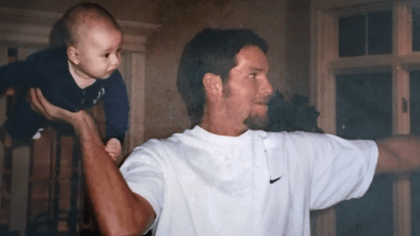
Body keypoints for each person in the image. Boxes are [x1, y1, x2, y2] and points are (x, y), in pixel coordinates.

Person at [28, 28, 420, 236]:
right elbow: (122, 227)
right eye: (254, 75)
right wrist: (84, 124)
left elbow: (397, 154)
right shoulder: (160, 159)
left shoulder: (296, 153)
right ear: (214, 85)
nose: (268, 87)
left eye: (266, 75)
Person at [0, 2, 129, 159]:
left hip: (72, 110)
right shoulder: (48, 66)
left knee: (72, 128)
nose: (116, 61)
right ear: (75, 56)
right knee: (24, 123)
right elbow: (19, 70)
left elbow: (119, 107)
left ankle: (51, 127)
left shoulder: (112, 78)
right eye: (106, 54)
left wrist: (116, 137)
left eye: (118, 50)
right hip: (38, 103)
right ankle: (15, 132)